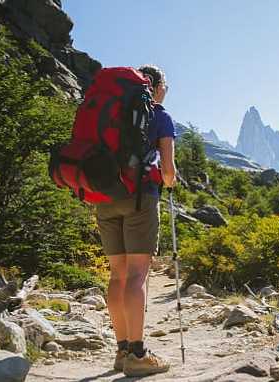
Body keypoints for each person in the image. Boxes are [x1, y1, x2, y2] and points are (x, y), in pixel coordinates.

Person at [96, 65, 176, 376]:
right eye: (164, 86)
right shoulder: (159, 115)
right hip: (139, 199)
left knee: (117, 275)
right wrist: (169, 180)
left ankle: (121, 350)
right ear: (156, 87)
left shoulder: (112, 109)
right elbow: (168, 173)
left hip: (104, 198)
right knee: (137, 276)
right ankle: (138, 354)